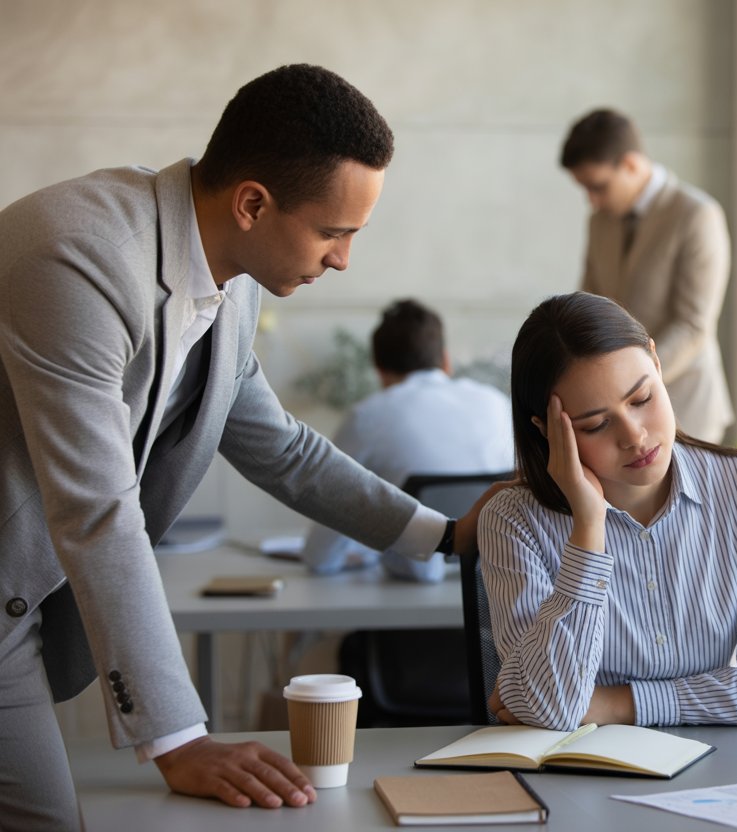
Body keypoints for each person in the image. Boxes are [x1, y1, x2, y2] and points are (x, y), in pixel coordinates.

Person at [0, 64, 501, 828]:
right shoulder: (78, 257)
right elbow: (98, 510)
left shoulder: (229, 282)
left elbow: (284, 449)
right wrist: (177, 739)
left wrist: (444, 535)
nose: (343, 260)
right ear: (253, 203)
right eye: (334, 232)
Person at [478, 292, 737, 731]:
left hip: (715, 776)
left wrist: (621, 705)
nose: (635, 436)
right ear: (546, 431)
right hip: (579, 785)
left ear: (657, 366)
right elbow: (550, 709)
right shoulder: (514, 521)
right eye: (596, 425)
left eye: (641, 398)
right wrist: (588, 528)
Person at [301, 298, 514, 581]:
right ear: (446, 360)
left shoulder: (368, 417)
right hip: (495, 592)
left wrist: (325, 559)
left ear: (379, 370)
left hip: (410, 592)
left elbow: (322, 552)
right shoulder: (496, 403)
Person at [560, 108, 734, 443]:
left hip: (686, 404)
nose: (592, 201)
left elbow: (693, 325)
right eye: (585, 189)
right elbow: (589, 305)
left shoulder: (697, 215)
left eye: (598, 186)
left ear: (631, 164)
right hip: (611, 408)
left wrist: (627, 383)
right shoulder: (600, 221)